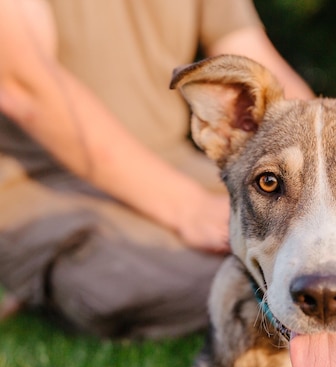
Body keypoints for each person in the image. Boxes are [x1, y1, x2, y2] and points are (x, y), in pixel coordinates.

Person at [0, 0, 314, 339]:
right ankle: (36, 286)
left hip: (173, 160)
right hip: (41, 179)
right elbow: (23, 86)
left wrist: (327, 164)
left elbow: (249, 50)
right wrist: (188, 207)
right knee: (201, 279)